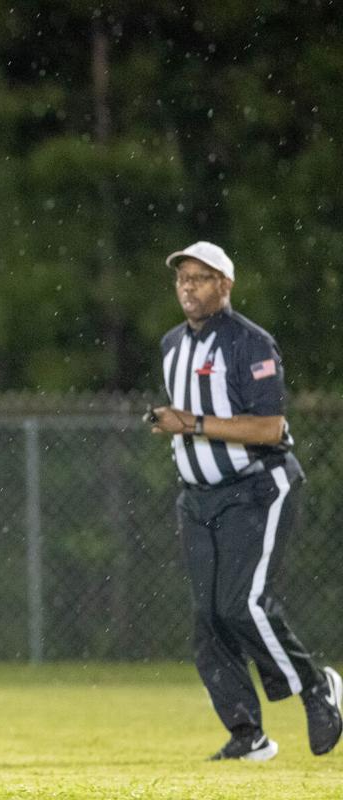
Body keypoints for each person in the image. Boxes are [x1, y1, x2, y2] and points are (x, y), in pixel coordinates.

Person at [148, 240, 341, 761]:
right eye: (182, 277)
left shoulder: (249, 342)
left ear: (225, 285)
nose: (189, 286)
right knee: (208, 618)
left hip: (256, 486)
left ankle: (316, 686)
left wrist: (190, 424)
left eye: (201, 277)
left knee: (242, 604)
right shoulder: (171, 345)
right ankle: (246, 733)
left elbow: (269, 426)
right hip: (198, 498)